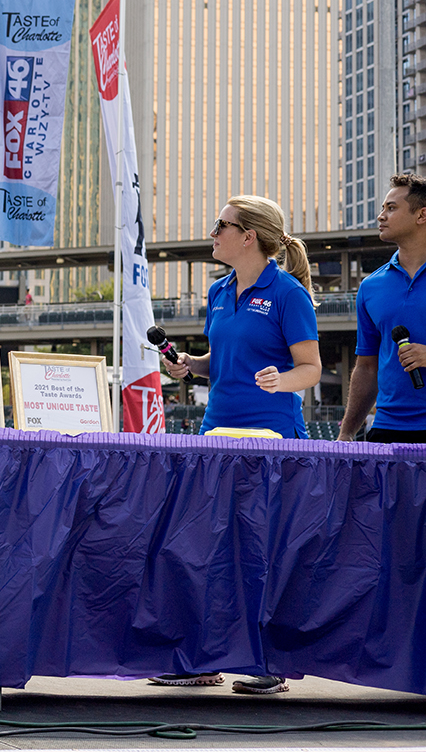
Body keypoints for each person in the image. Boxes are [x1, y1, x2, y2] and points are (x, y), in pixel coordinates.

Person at [155, 195, 319, 696]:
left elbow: (309, 368)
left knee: (261, 553)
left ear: (248, 236)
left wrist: (280, 380)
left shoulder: (288, 293)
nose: (212, 233)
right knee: (203, 550)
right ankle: (201, 660)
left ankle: (267, 664)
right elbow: (221, 358)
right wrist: (189, 364)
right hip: (216, 436)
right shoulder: (220, 290)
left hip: (272, 442)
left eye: (220, 225)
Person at [341, 173, 426, 442]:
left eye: (391, 208)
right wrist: (346, 433)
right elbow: (366, 367)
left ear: (422, 215)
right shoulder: (370, 286)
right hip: (387, 429)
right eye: (382, 208)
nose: (381, 216)